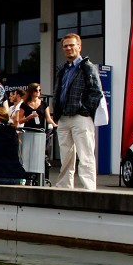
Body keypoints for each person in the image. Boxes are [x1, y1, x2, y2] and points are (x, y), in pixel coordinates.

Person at [52, 33, 102, 190]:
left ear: (79, 47)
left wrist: (85, 109)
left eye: (71, 45)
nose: (68, 48)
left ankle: (89, 189)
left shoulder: (87, 67)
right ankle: (64, 187)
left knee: (86, 155)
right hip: (64, 118)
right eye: (65, 46)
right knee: (66, 156)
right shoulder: (62, 70)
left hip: (80, 117)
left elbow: (96, 92)